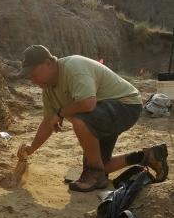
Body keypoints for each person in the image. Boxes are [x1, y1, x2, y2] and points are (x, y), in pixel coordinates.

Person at [17, 45, 168, 192]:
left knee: (81, 121)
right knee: (100, 165)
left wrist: (61, 112)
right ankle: (147, 156)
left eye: (34, 73)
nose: (32, 80)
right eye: (29, 76)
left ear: (48, 63)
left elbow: (88, 103)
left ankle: (95, 174)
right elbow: (47, 122)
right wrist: (31, 148)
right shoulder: (48, 90)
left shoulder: (72, 67)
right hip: (104, 114)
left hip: (126, 105)